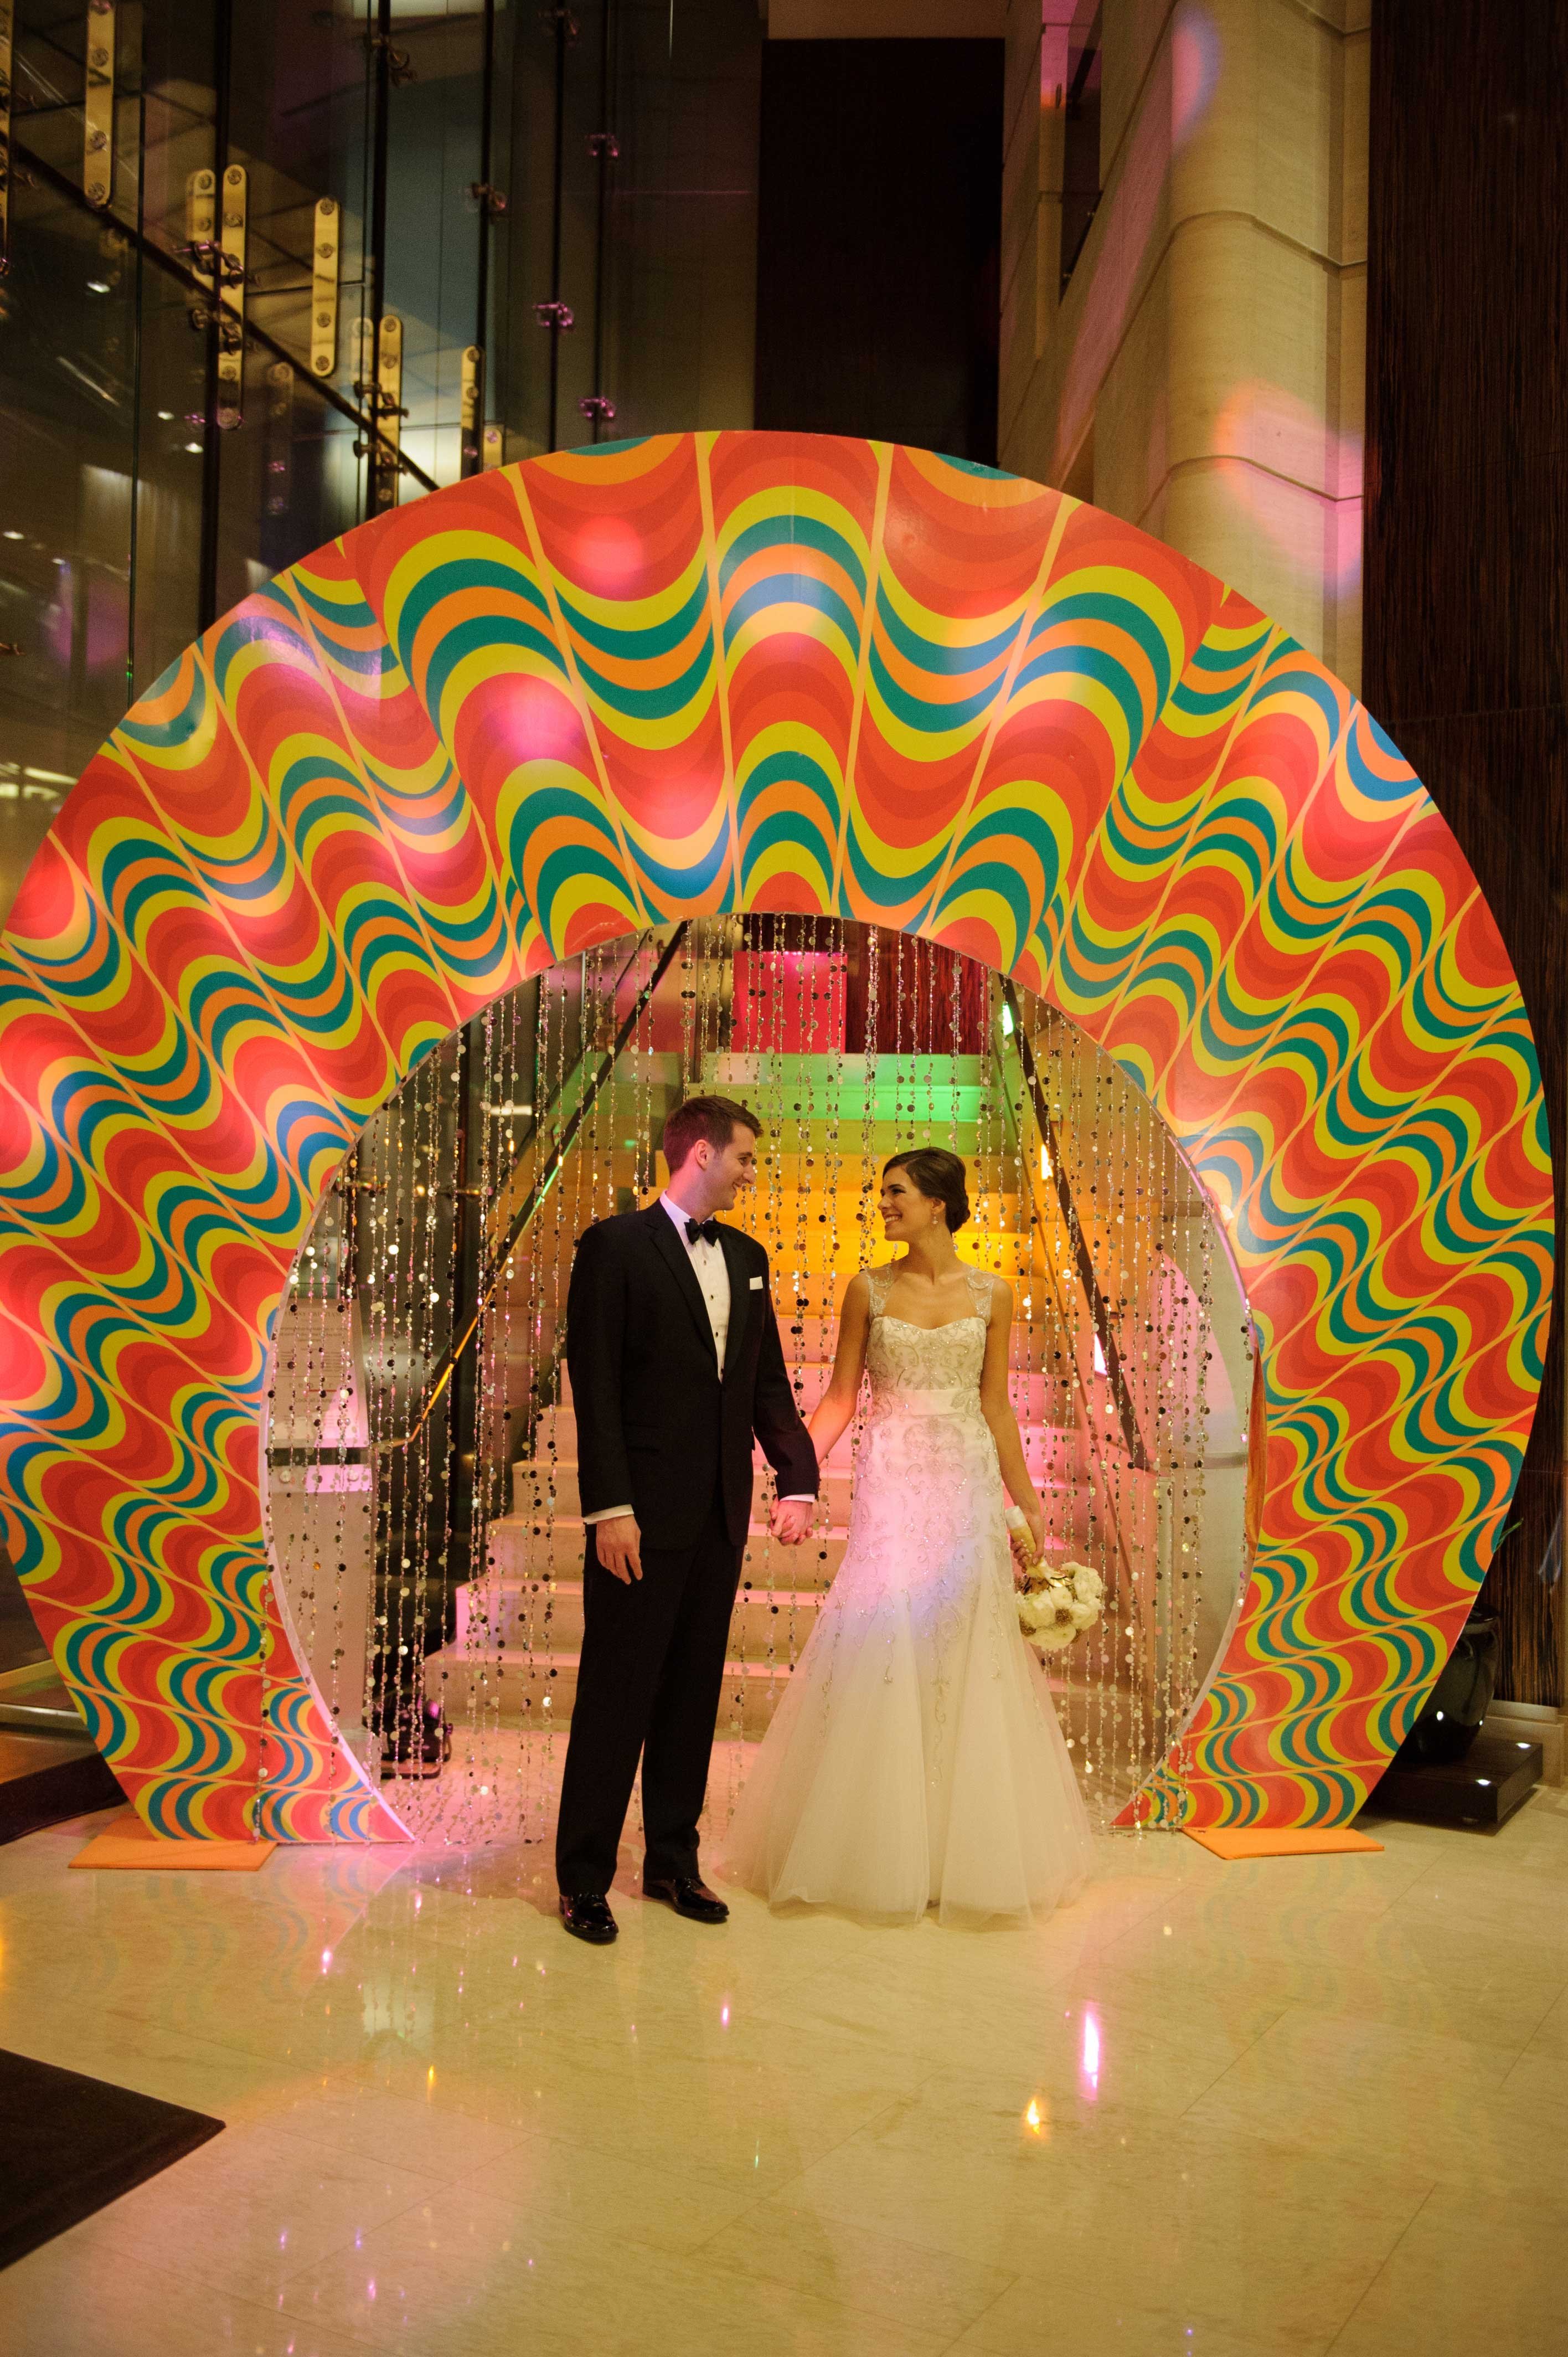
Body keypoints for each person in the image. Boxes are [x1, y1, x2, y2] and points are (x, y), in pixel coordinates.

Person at [723, 1146, 1094, 1926]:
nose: (882, 1204)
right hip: (893, 1485)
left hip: (963, 1487)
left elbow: (996, 1408)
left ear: (937, 1203)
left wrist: (1026, 1512)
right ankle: (874, 1849)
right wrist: (797, 1475)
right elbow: (839, 1398)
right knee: (886, 1646)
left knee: (965, 1653)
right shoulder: (867, 1288)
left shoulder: (994, 1293)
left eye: (895, 1193)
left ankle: (962, 1855)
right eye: (882, 1193)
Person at [555, 1094, 819, 1945]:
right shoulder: (613, 1247)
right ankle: (585, 1878)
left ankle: (672, 1860)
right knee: (616, 1696)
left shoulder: (747, 1255)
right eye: (744, 1156)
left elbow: (763, 1380)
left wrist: (796, 1478)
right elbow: (595, 1389)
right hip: (637, 1516)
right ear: (700, 1152)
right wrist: (610, 1508)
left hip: (716, 1515)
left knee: (691, 1698)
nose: (751, 1171)